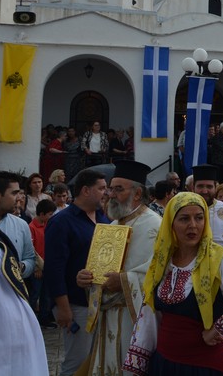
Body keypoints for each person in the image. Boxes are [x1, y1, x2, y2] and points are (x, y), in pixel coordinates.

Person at [122, 192, 223, 374]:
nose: (193, 225)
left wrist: (218, 330)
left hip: (203, 365)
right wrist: (140, 360)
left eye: (199, 218)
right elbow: (150, 314)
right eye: (184, 219)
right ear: (171, 225)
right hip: (165, 363)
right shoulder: (161, 262)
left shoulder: (218, 260)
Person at [77, 160, 163, 375]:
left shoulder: (154, 225)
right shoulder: (112, 226)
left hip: (134, 321)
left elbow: (159, 274)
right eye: (110, 189)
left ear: (137, 193)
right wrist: (87, 279)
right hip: (107, 319)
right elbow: (100, 270)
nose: (110, 194)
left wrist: (123, 281)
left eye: (118, 189)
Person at [45, 169, 111, 376]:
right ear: (85, 190)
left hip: (102, 302)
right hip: (76, 305)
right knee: (77, 363)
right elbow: (54, 269)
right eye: (101, 188)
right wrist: (63, 308)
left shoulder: (104, 218)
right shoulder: (61, 221)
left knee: (98, 360)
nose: (106, 193)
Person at [0, 223, 49, 375]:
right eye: (13, 196)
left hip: (14, 325)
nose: (18, 198)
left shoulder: (8, 234)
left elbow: (28, 258)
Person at [0, 171, 35, 280]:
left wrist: (21, 267)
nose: (19, 198)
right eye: (14, 193)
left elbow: (30, 259)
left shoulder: (21, 225)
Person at [29, 199, 56, 327]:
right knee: (35, 294)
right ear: (41, 214)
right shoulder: (32, 227)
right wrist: (37, 268)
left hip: (48, 265)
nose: (52, 216)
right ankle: (31, 320)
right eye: (50, 214)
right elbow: (31, 249)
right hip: (38, 267)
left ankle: (44, 318)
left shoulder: (48, 226)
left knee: (46, 294)